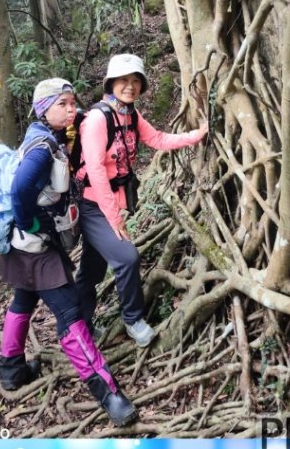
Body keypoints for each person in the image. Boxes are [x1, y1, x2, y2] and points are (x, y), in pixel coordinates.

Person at [0, 78, 138, 426]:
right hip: (36, 248)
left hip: (24, 246)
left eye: (73, 103)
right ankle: (109, 394)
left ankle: (11, 371)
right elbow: (19, 191)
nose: (72, 110)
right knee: (70, 313)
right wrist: (29, 223)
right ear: (45, 108)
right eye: (64, 104)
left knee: (23, 300)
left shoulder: (45, 135)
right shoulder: (43, 148)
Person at [74, 54, 208, 347]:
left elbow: (158, 139)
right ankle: (133, 320)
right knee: (127, 257)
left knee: (92, 270)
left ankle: (78, 324)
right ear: (111, 83)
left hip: (108, 204)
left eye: (136, 81)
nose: (130, 86)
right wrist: (114, 217)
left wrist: (196, 135)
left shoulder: (130, 114)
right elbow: (95, 169)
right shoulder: (98, 118)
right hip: (92, 205)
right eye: (124, 80)